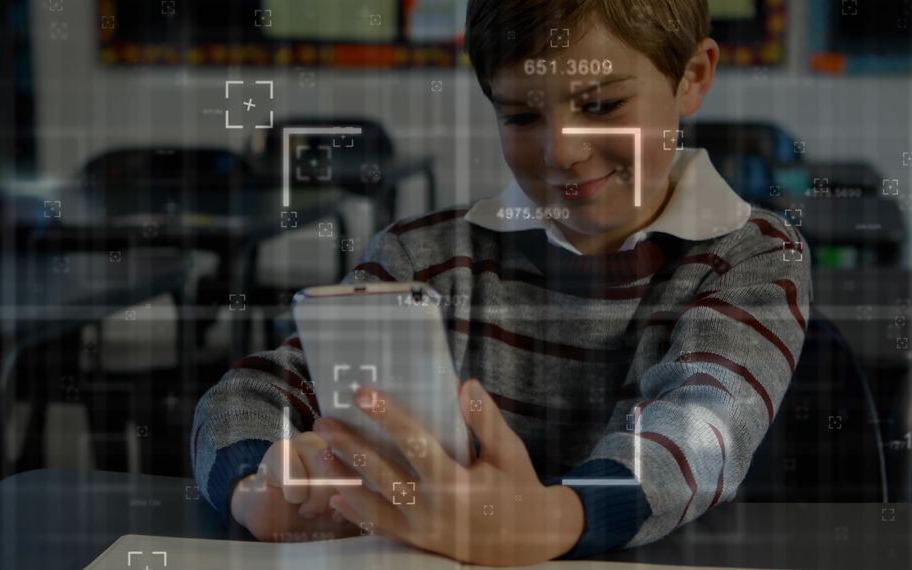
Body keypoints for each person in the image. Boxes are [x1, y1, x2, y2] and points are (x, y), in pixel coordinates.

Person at [192, 0, 812, 565]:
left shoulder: (753, 256)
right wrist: (259, 487)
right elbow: (253, 390)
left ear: (693, 77)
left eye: (601, 104)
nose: (563, 150)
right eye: (520, 114)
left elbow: (703, 429)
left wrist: (544, 519)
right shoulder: (424, 255)